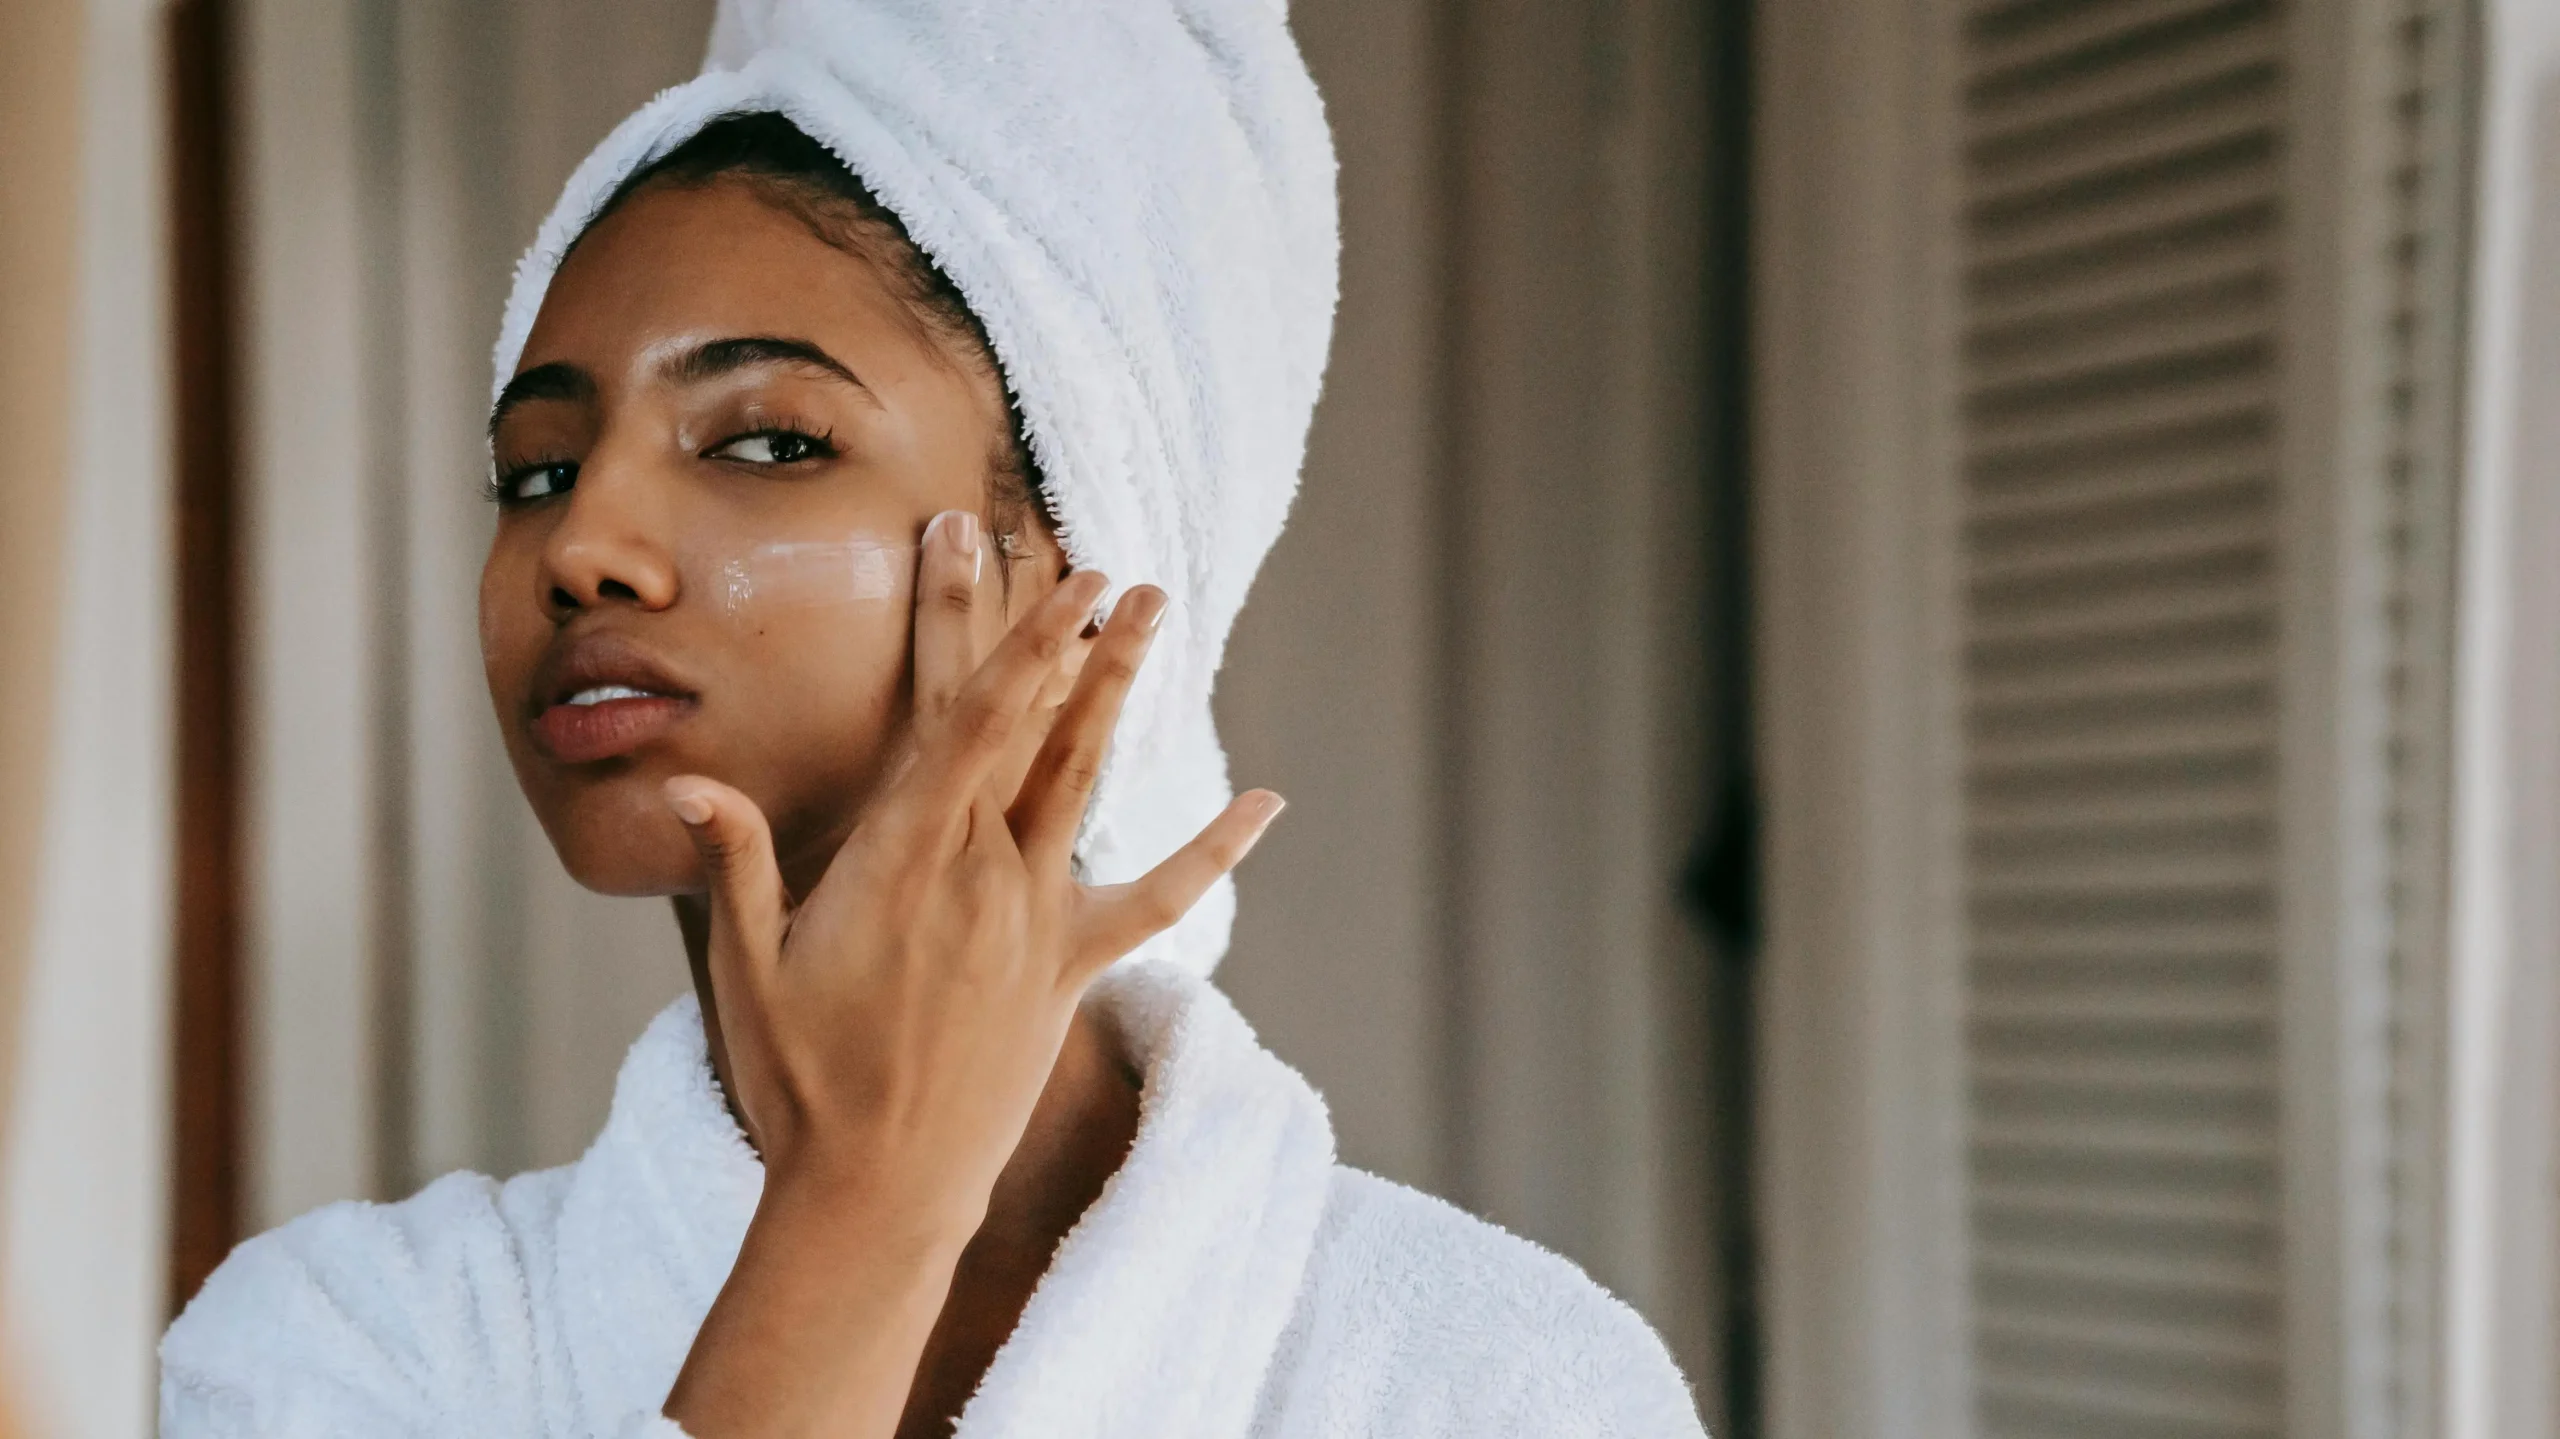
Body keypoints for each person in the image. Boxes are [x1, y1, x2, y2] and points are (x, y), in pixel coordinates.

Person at [160, 3, 1706, 1435]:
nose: (581, 548)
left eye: (765, 439)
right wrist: (867, 1208)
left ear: (1074, 571)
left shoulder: (1498, 1380)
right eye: (539, 470)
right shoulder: (346, 1347)